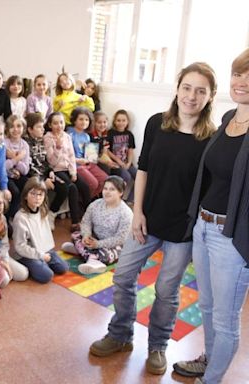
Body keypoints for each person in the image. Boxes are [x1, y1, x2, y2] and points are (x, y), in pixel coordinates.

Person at [89, 62, 217, 376]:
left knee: (166, 290)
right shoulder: (156, 123)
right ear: (177, 88)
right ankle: (120, 334)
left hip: (182, 229)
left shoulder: (211, 138)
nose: (191, 96)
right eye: (187, 87)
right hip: (147, 219)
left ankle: (158, 345)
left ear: (211, 96)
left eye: (201, 90)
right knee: (122, 278)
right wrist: (138, 212)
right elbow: (142, 169)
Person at [173, 49, 249, 384]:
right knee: (206, 306)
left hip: (232, 237)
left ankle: (211, 380)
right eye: (237, 73)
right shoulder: (229, 118)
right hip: (204, 227)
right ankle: (208, 361)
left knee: (225, 319)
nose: (242, 81)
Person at [61, 176, 132, 274]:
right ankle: (90, 255)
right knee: (76, 235)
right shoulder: (95, 204)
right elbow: (86, 222)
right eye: (105, 188)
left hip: (114, 245)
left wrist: (98, 244)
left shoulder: (126, 213)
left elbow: (120, 239)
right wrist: (86, 236)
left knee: (109, 254)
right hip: (95, 239)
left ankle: (86, 254)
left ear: (120, 193)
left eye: (112, 189)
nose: (107, 192)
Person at [12, 177, 69, 283]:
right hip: (26, 254)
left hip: (43, 250)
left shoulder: (42, 211)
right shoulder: (20, 217)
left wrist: (45, 253)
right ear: (25, 196)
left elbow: (44, 236)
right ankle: (31, 265)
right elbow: (20, 246)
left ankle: (41, 263)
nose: (37, 198)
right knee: (46, 275)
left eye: (40, 194)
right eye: (33, 194)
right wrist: (40, 256)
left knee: (63, 268)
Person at [43, 112, 90, 231]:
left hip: (68, 169)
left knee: (85, 187)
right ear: (50, 125)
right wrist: (58, 147)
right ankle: (73, 221)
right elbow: (51, 161)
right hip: (56, 170)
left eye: (61, 122)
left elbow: (71, 156)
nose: (59, 126)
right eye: (55, 123)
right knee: (71, 188)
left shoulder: (67, 136)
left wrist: (73, 172)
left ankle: (88, 217)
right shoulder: (48, 138)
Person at [0, 187, 29, 287]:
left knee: (23, 274)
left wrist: (5, 261)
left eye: (0, 203)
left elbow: (5, 244)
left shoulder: (2, 218)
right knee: (4, 281)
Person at [68, 107, 108, 198]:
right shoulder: (69, 134)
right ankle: (86, 201)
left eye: (86, 120)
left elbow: (91, 156)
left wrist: (94, 157)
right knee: (93, 183)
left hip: (88, 164)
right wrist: (78, 160)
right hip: (76, 165)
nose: (84, 122)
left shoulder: (86, 136)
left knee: (105, 180)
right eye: (81, 119)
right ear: (74, 120)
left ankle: (89, 199)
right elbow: (66, 156)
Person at [106, 109, 137, 201]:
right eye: (118, 120)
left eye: (124, 120)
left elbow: (130, 150)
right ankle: (118, 198)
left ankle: (130, 199)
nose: (121, 123)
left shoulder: (129, 134)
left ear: (127, 122)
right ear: (114, 121)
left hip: (126, 163)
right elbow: (107, 151)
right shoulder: (110, 133)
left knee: (139, 177)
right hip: (115, 163)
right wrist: (118, 161)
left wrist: (129, 163)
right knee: (126, 176)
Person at [5, 114, 30, 215]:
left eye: (18, 126)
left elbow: (25, 170)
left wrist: (15, 160)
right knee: (14, 191)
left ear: (23, 128)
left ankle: (23, 214)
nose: (15, 129)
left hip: (19, 175)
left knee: (29, 186)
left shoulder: (24, 145)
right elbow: (3, 167)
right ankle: (11, 216)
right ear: (7, 129)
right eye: (12, 126)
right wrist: (18, 158)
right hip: (6, 176)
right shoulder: (4, 143)